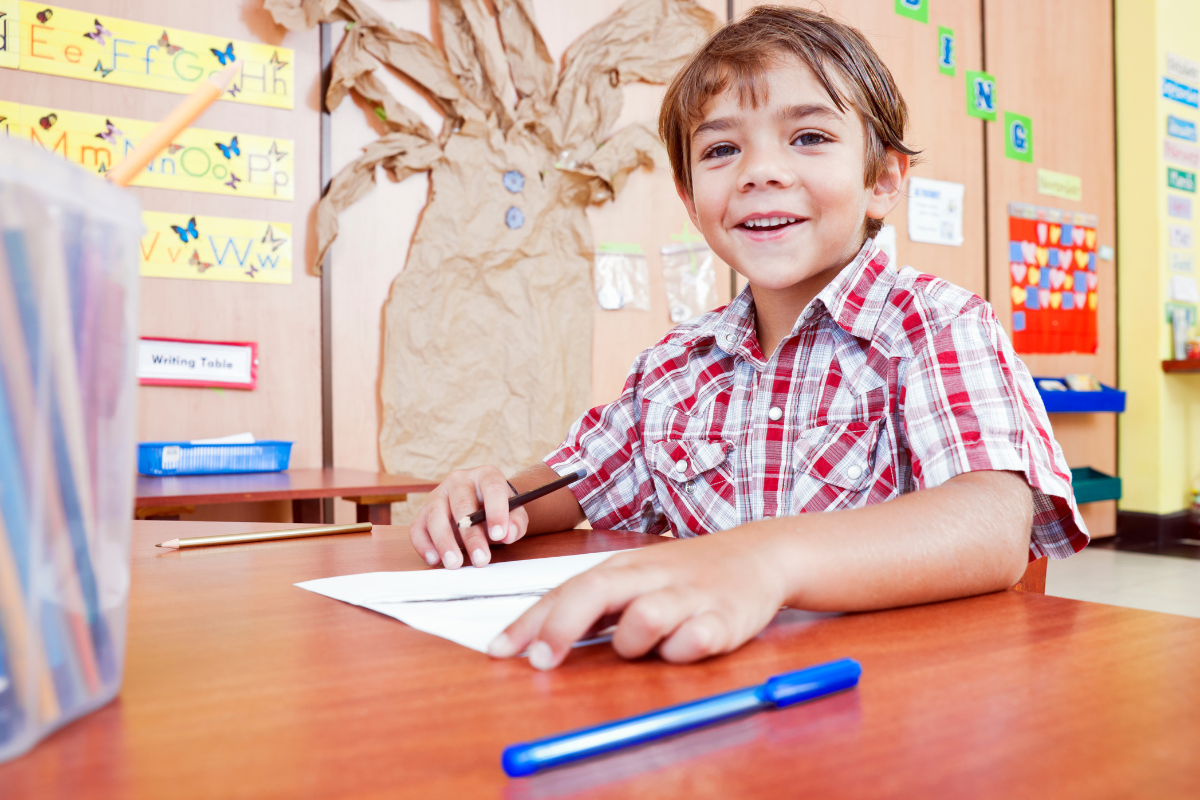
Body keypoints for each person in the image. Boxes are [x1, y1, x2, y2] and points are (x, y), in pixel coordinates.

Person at [408, 5, 1088, 670]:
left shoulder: (936, 325)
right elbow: (584, 481)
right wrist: (499, 497)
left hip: (892, 694)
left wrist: (767, 557)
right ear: (691, 200)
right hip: (718, 677)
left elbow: (992, 529)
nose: (759, 171)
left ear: (882, 179)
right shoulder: (675, 366)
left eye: (809, 137)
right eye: (722, 149)